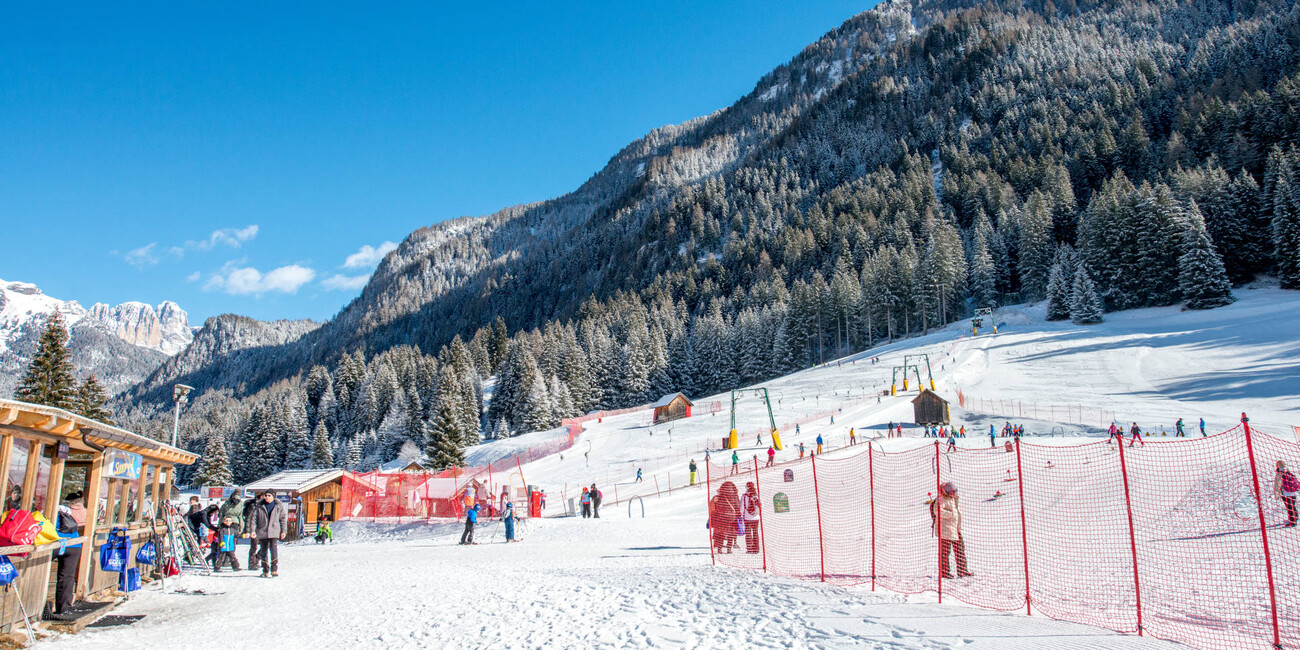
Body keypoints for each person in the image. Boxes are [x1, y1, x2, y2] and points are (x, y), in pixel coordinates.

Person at [54, 491, 87, 615]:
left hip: (55, 543)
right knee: (66, 576)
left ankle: (40, 607)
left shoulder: (53, 512)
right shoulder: (83, 512)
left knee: (43, 572)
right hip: (74, 544)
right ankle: (64, 608)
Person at [931, 482, 971, 579]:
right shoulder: (941, 499)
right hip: (945, 530)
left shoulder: (953, 499)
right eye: (952, 492)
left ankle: (962, 571)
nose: (954, 494)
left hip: (955, 528)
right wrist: (951, 515)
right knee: (945, 552)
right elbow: (937, 510)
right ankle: (944, 572)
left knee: (960, 550)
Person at [247, 491, 287, 577]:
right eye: (266, 495)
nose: (267, 497)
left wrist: (283, 531)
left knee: (273, 550)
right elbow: (253, 519)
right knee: (263, 551)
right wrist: (252, 531)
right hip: (262, 531)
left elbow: (283, 519)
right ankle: (265, 570)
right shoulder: (259, 506)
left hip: (274, 531)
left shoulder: (278, 506)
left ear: (273, 497)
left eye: (269, 495)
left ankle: (274, 569)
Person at [709, 482, 740, 555]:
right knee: (731, 533)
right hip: (731, 518)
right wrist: (738, 515)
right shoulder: (734, 496)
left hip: (720, 518)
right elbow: (737, 507)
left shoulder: (717, 497)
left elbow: (713, 508)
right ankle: (729, 549)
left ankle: (719, 549)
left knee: (720, 534)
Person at [1275, 461, 1299, 527]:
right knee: (1293, 506)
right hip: (1292, 493)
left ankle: (1292, 522)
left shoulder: (1279, 473)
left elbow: (1277, 485)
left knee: (1289, 508)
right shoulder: (1288, 471)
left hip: (1285, 493)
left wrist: (1276, 495)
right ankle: (1296, 518)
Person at [741, 483, 761, 554]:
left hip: (747, 517)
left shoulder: (744, 496)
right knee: (755, 532)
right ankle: (756, 548)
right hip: (756, 517)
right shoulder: (757, 495)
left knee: (748, 533)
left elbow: (742, 507)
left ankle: (749, 548)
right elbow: (761, 505)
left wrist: (741, 514)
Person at [242, 495, 261, 570]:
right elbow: (248, 519)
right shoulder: (253, 506)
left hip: (262, 528)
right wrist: (248, 530)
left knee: (265, 546)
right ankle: (251, 564)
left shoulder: (263, 505)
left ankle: (256, 560)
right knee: (254, 547)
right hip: (254, 529)